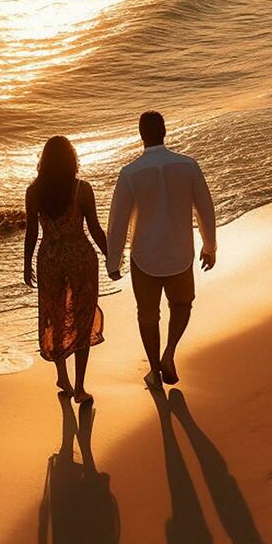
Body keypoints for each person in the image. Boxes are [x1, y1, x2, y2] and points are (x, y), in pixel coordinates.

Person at [106, 111, 216, 389]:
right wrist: (209, 246)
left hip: (144, 255)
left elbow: (117, 220)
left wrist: (112, 260)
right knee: (182, 305)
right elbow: (205, 208)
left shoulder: (130, 173)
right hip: (180, 250)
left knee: (147, 314)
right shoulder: (188, 165)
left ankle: (155, 369)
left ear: (141, 135)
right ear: (164, 132)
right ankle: (169, 353)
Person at [25, 135, 108, 403]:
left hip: (49, 258)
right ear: (73, 160)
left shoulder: (34, 191)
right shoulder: (82, 189)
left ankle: (62, 374)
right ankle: (81, 387)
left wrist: (26, 264)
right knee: (83, 318)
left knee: (56, 316)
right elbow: (93, 228)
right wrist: (111, 255)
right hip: (80, 258)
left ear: (44, 162)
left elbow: (31, 232)